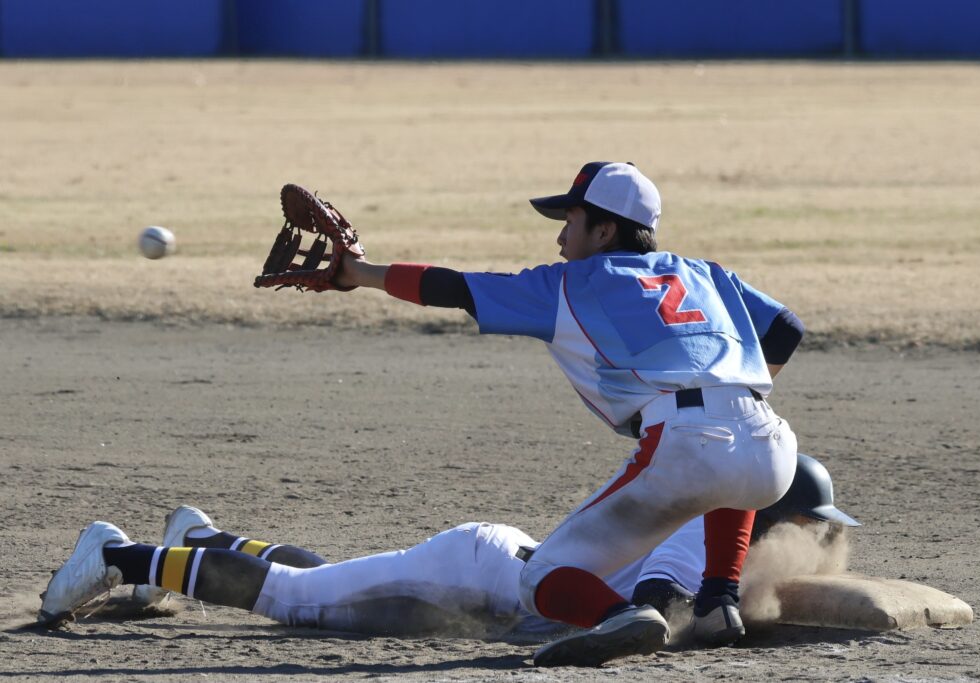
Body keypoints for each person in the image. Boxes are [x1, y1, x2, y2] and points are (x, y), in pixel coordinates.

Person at [324, 161, 805, 665]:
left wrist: (359, 273)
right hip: (771, 446)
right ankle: (717, 601)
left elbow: (455, 288)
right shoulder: (705, 273)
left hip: (689, 445)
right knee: (727, 474)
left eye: (570, 222)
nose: (559, 238)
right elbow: (787, 327)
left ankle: (623, 617)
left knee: (540, 576)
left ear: (604, 230)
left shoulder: (573, 282)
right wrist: (731, 387)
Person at [38, 455, 856, 645]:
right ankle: (122, 555)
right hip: (482, 571)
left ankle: (201, 540)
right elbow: (654, 607)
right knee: (295, 601)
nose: (814, 539)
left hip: (495, 576)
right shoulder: (692, 541)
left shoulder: (712, 532)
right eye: (806, 523)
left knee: (333, 588)